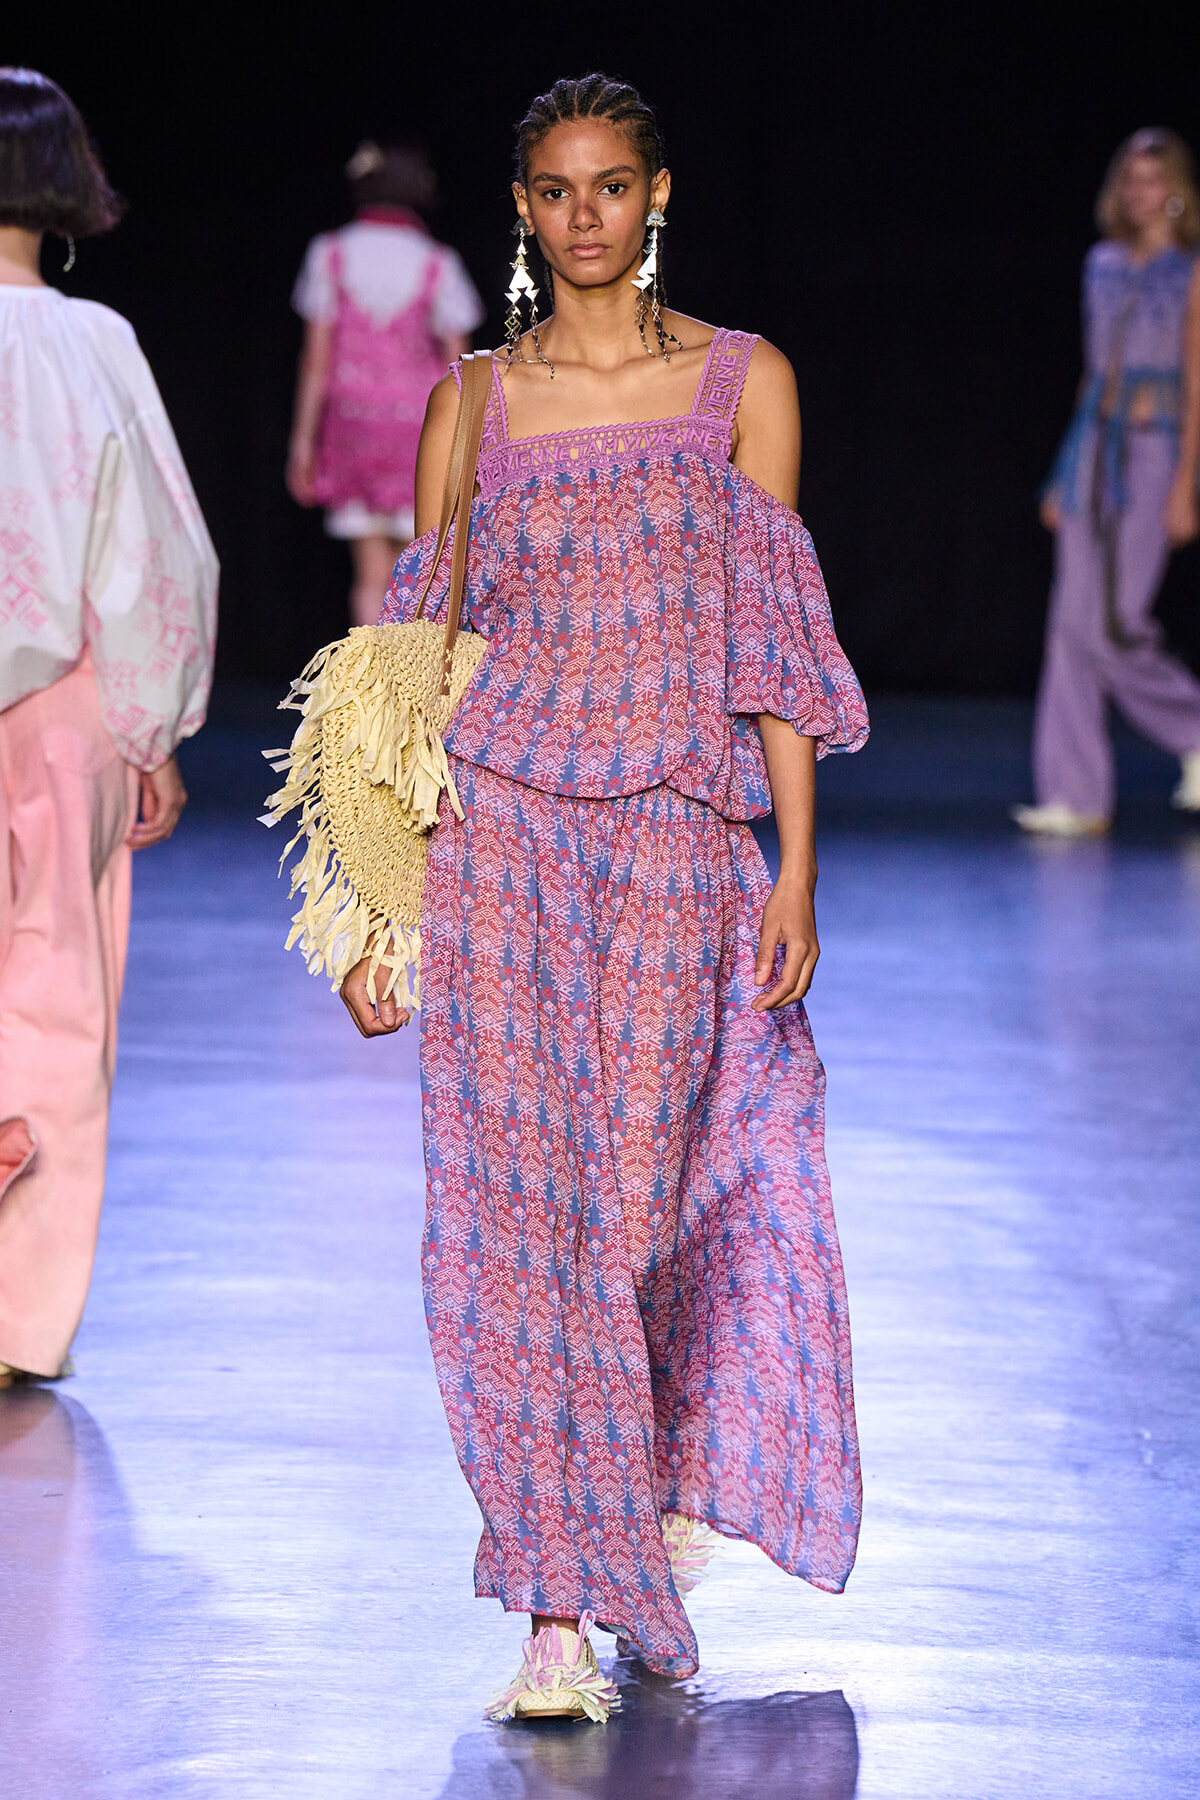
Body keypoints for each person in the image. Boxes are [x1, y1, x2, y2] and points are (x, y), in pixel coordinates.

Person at [336, 75, 867, 1721]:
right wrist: (376, 904)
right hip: (502, 840)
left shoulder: (740, 384)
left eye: (611, 186)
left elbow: (774, 639)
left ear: (656, 198)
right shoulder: (471, 402)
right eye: (555, 190)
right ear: (523, 209)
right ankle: (556, 1601)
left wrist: (793, 858)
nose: (584, 215)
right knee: (523, 1227)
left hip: (667, 845)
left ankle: (630, 1523)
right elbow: (412, 665)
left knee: (640, 1219)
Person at [0, 69, 217, 1387]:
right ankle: (15, 1322)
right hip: (65, 711)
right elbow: (151, 554)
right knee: (59, 1003)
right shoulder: (96, 346)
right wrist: (156, 728)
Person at [1015, 127, 1200, 836]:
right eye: (1130, 179)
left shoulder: (1188, 270)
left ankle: (1192, 732)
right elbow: (1094, 377)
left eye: (1153, 179)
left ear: (1178, 190)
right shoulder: (1104, 263)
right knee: (1070, 626)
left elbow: (1195, 379)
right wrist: (1065, 473)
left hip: (1156, 449)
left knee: (1115, 624)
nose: (1139, 191)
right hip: (1096, 448)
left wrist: (1187, 483)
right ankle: (1076, 795)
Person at [287, 141, 485, 628]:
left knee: (370, 576)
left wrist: (302, 442)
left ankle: (372, 696)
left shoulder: (330, 252)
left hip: (354, 427)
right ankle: (410, 697)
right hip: (420, 429)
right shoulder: (437, 261)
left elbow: (316, 359)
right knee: (424, 571)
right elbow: (461, 369)